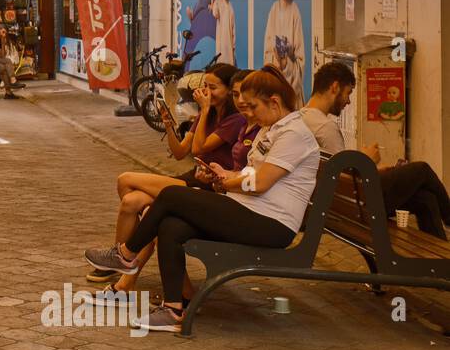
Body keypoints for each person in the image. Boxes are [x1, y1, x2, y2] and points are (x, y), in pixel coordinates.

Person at [86, 65, 321, 333]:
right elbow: (252, 174)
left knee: (172, 195)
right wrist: (226, 174)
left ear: (275, 102)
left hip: (271, 224)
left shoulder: (293, 134)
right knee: (171, 225)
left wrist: (228, 182)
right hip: (249, 210)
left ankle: (126, 254)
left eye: (254, 107)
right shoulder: (273, 129)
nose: (250, 114)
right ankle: (174, 309)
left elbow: (261, 182)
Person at [88, 65, 250, 304]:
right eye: (204, 86)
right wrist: (168, 125)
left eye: (213, 87)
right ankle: (124, 269)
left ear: (227, 91)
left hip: (208, 186)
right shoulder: (210, 114)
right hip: (194, 177)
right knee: (132, 200)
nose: (205, 92)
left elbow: (198, 149)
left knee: (127, 182)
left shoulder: (232, 120)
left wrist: (204, 111)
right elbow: (180, 152)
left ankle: (122, 263)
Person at [263, 0, 306, 106]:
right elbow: (266, 57)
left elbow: (300, 69)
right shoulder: (273, 11)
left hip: (291, 101)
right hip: (274, 98)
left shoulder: (295, 12)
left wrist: (285, 63)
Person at [299, 60, 352, 155]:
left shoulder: (299, 117)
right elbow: (341, 169)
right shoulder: (326, 128)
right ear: (335, 87)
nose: (348, 101)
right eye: (348, 93)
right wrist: (367, 159)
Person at [212, 0, 237, 65]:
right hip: (220, 51)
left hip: (229, 52)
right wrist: (214, 7)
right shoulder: (218, 3)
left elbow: (233, 32)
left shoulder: (231, 8)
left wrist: (233, 49)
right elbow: (215, 13)